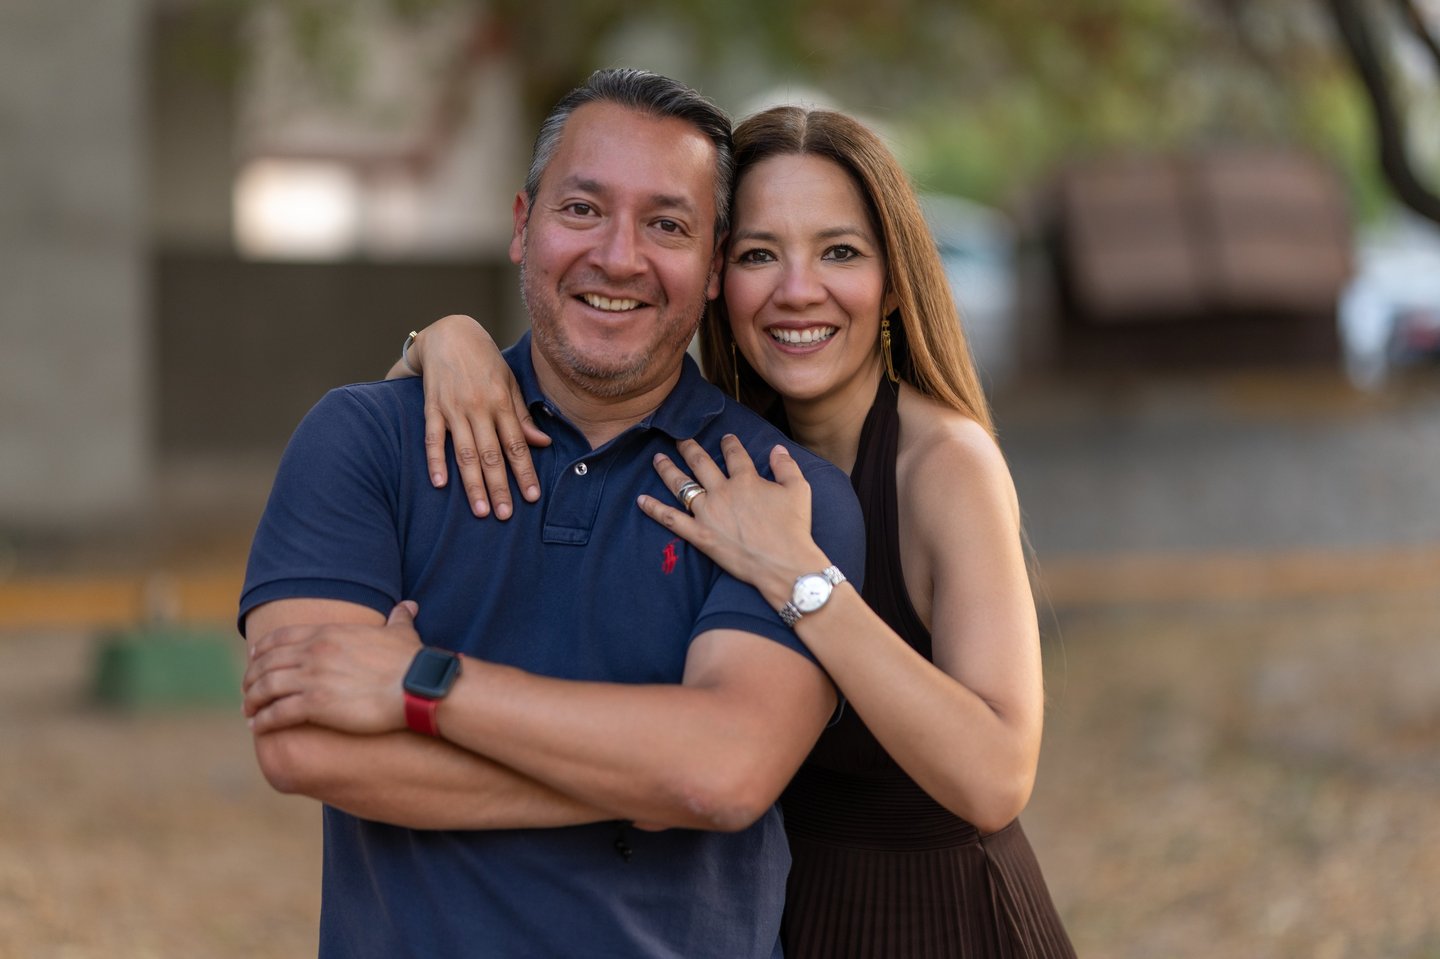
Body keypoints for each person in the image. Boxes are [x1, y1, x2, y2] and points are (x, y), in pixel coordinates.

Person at [399, 104, 1075, 957]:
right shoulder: (720, 446)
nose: (798, 289)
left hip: (945, 924)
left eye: (839, 252)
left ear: (895, 280)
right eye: (760, 253)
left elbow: (998, 776)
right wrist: (443, 342)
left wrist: (800, 575)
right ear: (717, 274)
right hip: (790, 921)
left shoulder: (945, 462)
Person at [238, 70, 866, 959]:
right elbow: (303, 745)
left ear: (715, 265)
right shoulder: (366, 439)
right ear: (522, 224)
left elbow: (727, 772)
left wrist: (421, 682)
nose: (619, 255)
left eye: (668, 225)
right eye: (582, 209)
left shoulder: (779, 496)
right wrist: (651, 777)